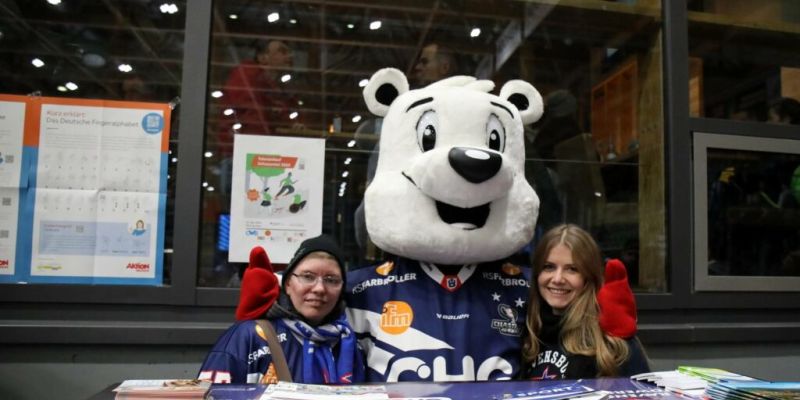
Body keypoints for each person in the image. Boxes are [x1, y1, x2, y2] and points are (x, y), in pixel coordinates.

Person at [198, 234, 365, 384]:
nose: (320, 288)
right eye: (308, 277)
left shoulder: (349, 344)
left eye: (331, 279)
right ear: (288, 284)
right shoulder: (249, 336)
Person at [520, 224, 649, 380]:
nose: (558, 279)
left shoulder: (613, 342)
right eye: (549, 267)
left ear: (588, 277)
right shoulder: (522, 330)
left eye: (572, 269)